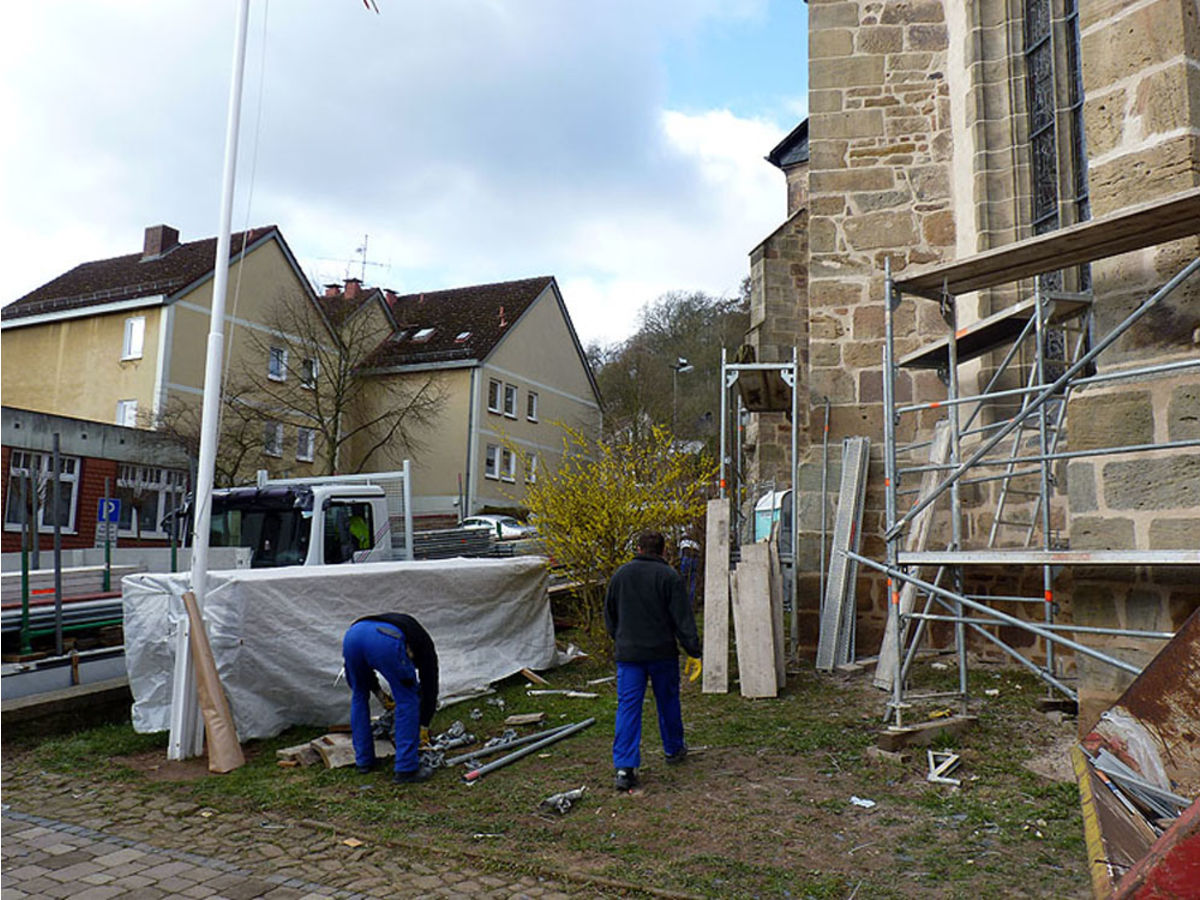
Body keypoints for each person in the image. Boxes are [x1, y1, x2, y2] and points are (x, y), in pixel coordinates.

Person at [604, 530, 703, 791]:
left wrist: (621, 639)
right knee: (668, 702)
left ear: (637, 548)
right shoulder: (669, 577)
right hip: (662, 654)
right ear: (663, 550)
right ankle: (673, 749)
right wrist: (693, 650)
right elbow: (682, 619)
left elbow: (610, 616)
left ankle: (625, 768)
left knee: (628, 708)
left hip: (629, 655)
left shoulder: (620, 576)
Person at [341, 613, 439, 784]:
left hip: (353, 635)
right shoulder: (426, 649)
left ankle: (363, 762)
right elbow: (430, 686)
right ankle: (406, 769)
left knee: (359, 694)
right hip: (385, 638)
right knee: (407, 699)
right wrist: (424, 724)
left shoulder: (410, 631)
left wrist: (379, 693)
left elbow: (361, 677)